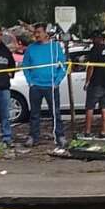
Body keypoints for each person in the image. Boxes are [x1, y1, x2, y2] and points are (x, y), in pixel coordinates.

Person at [20, 23, 68, 153]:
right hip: (35, 86)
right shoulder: (31, 48)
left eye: (39, 32)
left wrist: (57, 81)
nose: (36, 35)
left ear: (46, 33)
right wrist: (30, 81)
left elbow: (63, 65)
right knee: (34, 113)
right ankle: (33, 137)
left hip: (51, 86)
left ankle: (60, 136)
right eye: (35, 33)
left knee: (55, 112)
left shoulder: (55, 47)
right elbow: (25, 65)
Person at [80, 30, 105, 141]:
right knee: (104, 107)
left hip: (96, 82)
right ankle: (104, 132)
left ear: (96, 39)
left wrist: (87, 81)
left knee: (90, 107)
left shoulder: (95, 49)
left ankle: (88, 132)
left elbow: (91, 67)